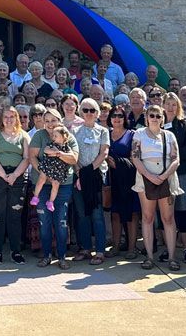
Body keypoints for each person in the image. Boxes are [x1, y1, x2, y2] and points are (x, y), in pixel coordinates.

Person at [132, 105, 183, 271]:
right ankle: (149, 257)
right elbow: (135, 157)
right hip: (145, 179)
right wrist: (149, 176)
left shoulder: (169, 135)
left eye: (158, 115)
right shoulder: (139, 134)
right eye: (151, 115)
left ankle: (171, 257)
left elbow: (176, 159)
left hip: (166, 178)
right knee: (147, 218)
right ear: (147, 117)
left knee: (168, 218)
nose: (154, 118)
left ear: (162, 118)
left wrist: (162, 176)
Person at [29, 109, 80, 269]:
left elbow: (73, 158)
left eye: (53, 120)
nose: (50, 124)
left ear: (60, 120)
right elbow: (32, 156)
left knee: (61, 221)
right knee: (44, 221)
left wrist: (57, 154)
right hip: (43, 184)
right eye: (47, 120)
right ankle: (46, 255)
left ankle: (62, 256)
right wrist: (45, 172)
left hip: (62, 185)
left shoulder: (67, 136)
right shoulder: (39, 135)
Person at [0, 107, 31, 265]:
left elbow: (27, 158)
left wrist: (15, 175)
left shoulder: (23, 135)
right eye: (6, 117)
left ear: (17, 118)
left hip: (17, 177)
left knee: (15, 216)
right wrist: (4, 176)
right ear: (1, 119)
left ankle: (15, 251)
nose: (9, 119)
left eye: (12, 116)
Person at [71, 98, 110, 265]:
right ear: (81, 112)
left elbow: (104, 152)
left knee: (97, 215)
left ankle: (100, 251)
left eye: (92, 110)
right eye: (85, 110)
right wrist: (80, 171)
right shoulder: (74, 131)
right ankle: (85, 248)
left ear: (97, 113)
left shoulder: (102, 131)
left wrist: (89, 170)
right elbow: (71, 152)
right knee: (82, 214)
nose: (88, 113)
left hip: (95, 177)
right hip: (78, 175)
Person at [105, 105, 140, 260]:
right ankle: (116, 246)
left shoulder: (132, 135)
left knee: (131, 214)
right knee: (115, 214)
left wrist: (117, 163)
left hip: (129, 180)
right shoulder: (105, 134)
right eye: (114, 115)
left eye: (120, 115)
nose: (117, 118)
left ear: (125, 118)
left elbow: (135, 159)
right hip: (111, 180)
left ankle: (132, 248)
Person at [30, 126, 72, 212]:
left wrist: (59, 153)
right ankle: (36, 196)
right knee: (41, 179)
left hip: (58, 169)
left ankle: (50, 201)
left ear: (63, 137)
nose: (53, 138)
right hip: (48, 166)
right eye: (53, 136)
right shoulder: (52, 144)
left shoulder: (67, 147)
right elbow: (46, 150)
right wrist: (57, 152)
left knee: (55, 185)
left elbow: (72, 157)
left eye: (56, 136)